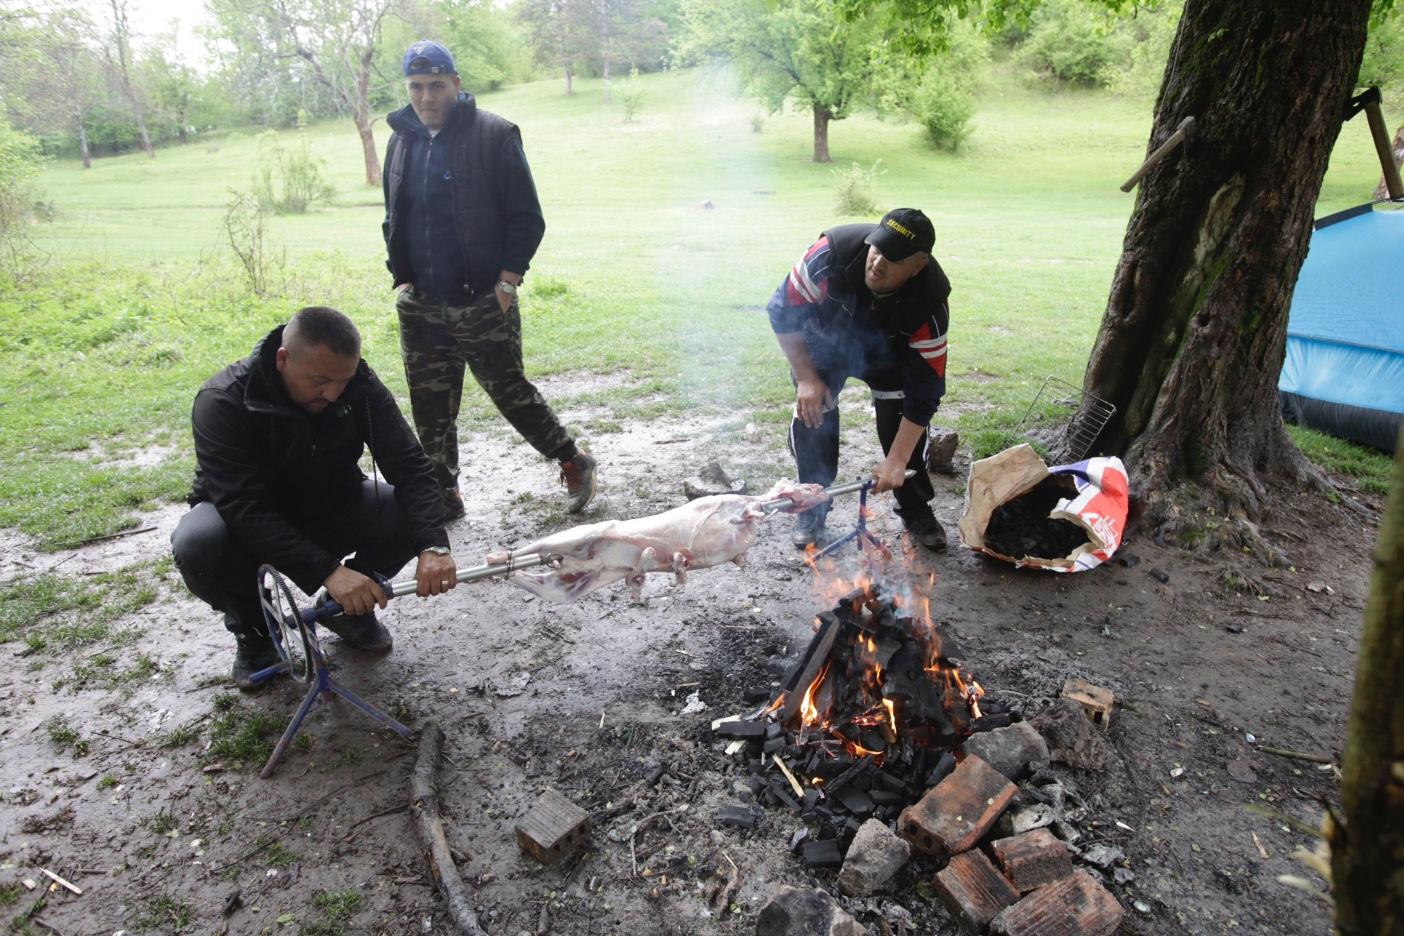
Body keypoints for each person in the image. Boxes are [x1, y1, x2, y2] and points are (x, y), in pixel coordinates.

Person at [171, 307, 459, 690]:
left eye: (344, 379)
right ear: (283, 359)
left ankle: (348, 609)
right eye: (320, 380)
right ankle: (256, 633)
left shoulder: (359, 385)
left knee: (412, 512)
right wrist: (327, 570)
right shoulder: (222, 400)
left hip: (330, 502)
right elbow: (243, 507)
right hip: (246, 524)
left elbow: (410, 465)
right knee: (199, 544)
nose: (334, 393)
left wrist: (434, 545)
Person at [382, 39, 597, 521]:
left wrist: (506, 283)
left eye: (436, 85)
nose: (426, 97)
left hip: (482, 297)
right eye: (416, 87)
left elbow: (527, 217)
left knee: (510, 392)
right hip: (421, 303)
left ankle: (573, 460)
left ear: (456, 85)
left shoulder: (494, 134)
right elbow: (392, 215)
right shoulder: (401, 140)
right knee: (431, 405)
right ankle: (445, 494)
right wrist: (402, 280)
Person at [766, 208, 952, 551]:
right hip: (825, 343)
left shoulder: (930, 303)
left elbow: (926, 390)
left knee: (900, 431)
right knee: (813, 412)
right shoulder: (827, 256)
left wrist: (896, 460)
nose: (878, 263)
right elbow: (781, 309)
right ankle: (812, 506)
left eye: (893, 259)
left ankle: (915, 508)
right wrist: (807, 378)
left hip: (892, 357)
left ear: (918, 265)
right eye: (877, 249)